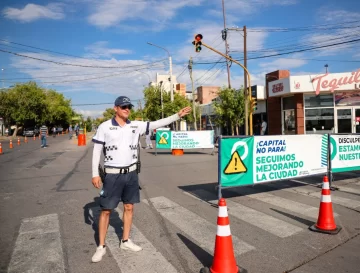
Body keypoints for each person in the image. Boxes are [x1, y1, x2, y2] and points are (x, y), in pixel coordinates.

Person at [91, 96, 191, 263]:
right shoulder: (105, 127)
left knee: (129, 207)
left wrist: (177, 116)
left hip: (131, 174)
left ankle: (125, 241)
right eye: (123, 106)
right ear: (115, 108)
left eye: (128, 106)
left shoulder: (135, 125)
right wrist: (95, 173)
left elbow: (156, 124)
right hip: (112, 175)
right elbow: (96, 151)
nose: (127, 109)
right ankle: (100, 246)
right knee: (106, 210)